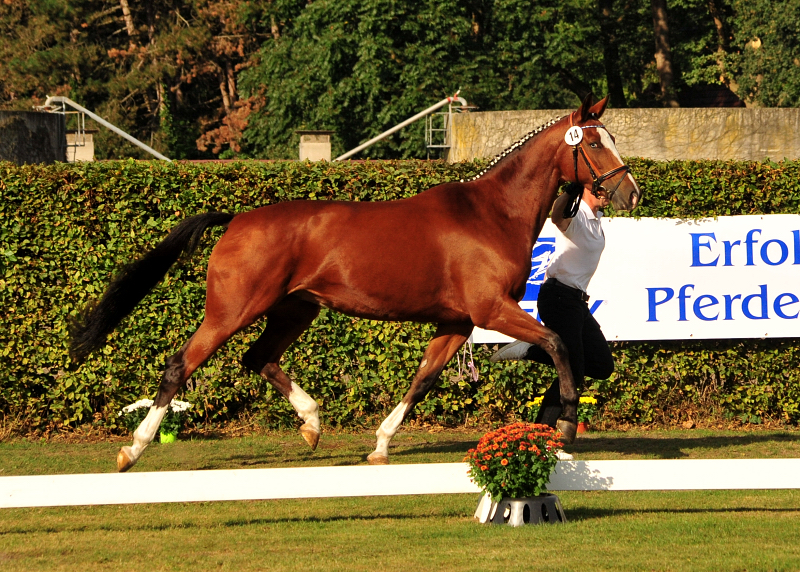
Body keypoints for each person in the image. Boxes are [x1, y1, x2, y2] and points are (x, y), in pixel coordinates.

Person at [491, 183, 615, 453]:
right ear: (589, 191)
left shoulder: (596, 217)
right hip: (558, 297)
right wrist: (569, 192)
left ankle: (533, 349)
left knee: (602, 365)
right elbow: (557, 216)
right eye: (603, 191)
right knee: (571, 370)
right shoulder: (579, 212)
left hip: (577, 302)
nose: (608, 196)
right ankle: (543, 438)